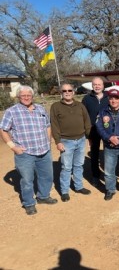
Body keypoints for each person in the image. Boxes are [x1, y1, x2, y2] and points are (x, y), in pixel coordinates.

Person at [0, 86, 57, 215]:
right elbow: (3, 129)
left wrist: (48, 141)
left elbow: (48, 126)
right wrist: (13, 147)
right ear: (18, 97)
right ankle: (29, 203)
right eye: (23, 95)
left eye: (28, 95)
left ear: (32, 96)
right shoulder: (12, 111)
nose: (26, 97)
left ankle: (43, 196)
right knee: (27, 180)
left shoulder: (40, 109)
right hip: (25, 153)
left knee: (47, 176)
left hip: (44, 150)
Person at [50, 83, 92, 202]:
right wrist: (58, 141)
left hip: (81, 140)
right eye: (64, 91)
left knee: (78, 165)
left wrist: (89, 137)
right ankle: (64, 191)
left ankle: (78, 186)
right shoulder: (55, 106)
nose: (67, 92)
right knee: (66, 167)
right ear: (61, 93)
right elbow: (54, 125)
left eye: (69, 90)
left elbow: (87, 122)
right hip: (65, 141)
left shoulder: (80, 105)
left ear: (73, 92)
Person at [81, 77, 109, 186]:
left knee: (109, 153)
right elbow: (83, 116)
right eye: (95, 84)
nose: (97, 86)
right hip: (93, 130)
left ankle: (108, 175)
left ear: (103, 86)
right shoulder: (86, 99)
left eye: (99, 84)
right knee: (94, 154)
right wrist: (87, 134)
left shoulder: (108, 97)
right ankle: (96, 176)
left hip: (107, 130)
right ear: (92, 86)